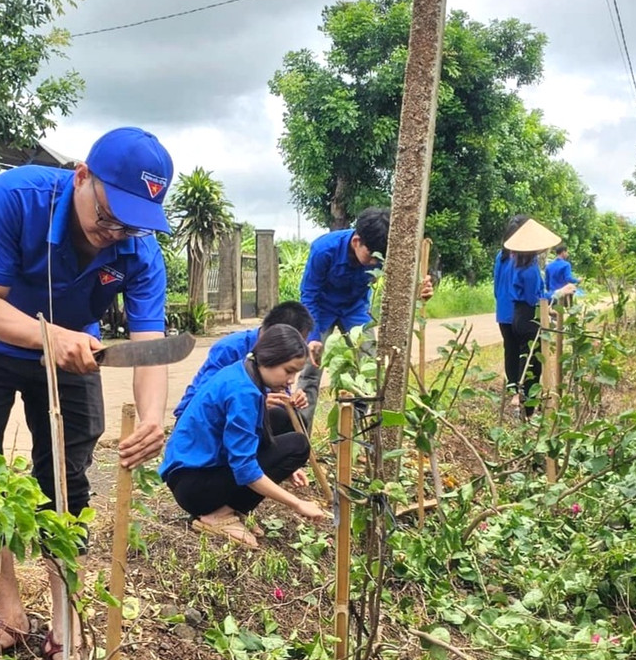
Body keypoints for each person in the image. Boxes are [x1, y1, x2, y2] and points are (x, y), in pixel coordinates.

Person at [0, 126, 173, 660]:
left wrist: (153, 417)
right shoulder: (15, 197)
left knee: (65, 480)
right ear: (82, 177)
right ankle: (10, 619)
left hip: (71, 352)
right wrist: (51, 336)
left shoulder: (139, 251)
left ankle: (66, 623)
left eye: (133, 224)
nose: (117, 232)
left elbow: (149, 347)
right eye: (109, 217)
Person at [161, 325, 326, 549]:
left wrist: (283, 466)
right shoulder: (243, 392)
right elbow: (245, 468)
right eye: (288, 371)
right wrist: (298, 504)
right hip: (195, 487)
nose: (291, 380)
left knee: (280, 416)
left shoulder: (242, 371)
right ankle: (216, 514)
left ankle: (229, 509)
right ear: (269, 358)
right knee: (298, 445)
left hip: (192, 475)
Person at [296, 208, 433, 426]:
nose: (373, 263)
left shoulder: (379, 254)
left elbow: (404, 283)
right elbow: (309, 295)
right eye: (371, 257)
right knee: (310, 370)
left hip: (355, 309)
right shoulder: (324, 250)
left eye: (379, 260)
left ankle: (352, 435)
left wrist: (421, 290)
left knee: (368, 366)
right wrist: (312, 336)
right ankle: (300, 439)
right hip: (321, 311)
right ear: (357, 241)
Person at [172, 300, 315, 426]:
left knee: (292, 425)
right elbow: (206, 400)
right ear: (277, 335)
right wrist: (257, 403)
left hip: (240, 416)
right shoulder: (230, 349)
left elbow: (275, 395)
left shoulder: (277, 359)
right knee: (277, 419)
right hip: (200, 422)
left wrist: (291, 401)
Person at [509, 248, 575, 418]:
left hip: (519, 314)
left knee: (526, 357)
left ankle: (525, 406)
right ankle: (527, 409)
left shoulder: (519, 265)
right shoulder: (530, 270)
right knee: (532, 362)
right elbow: (535, 299)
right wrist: (560, 292)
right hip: (528, 317)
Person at [494, 215, 529, 398]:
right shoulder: (525, 258)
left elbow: (496, 285)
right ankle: (522, 390)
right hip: (520, 311)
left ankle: (512, 386)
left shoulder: (501, 256)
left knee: (510, 349)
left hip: (503, 311)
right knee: (525, 350)